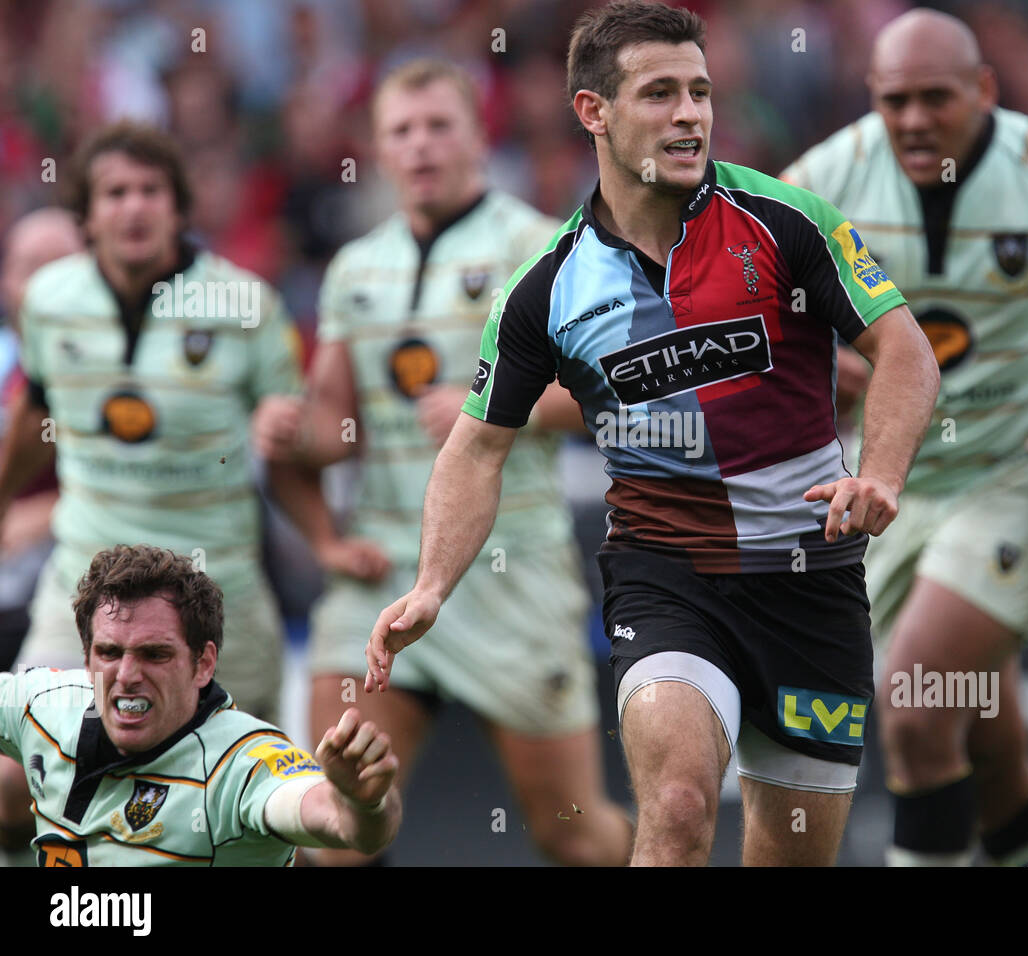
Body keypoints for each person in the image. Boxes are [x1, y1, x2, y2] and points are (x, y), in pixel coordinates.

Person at [366, 0, 940, 867]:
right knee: (674, 807)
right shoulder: (546, 289)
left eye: (700, 92)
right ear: (593, 111)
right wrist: (432, 586)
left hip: (810, 576)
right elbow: (478, 445)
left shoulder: (789, 222)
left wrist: (883, 474)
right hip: (667, 577)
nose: (689, 114)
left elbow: (904, 349)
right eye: (660, 93)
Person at [781, 8, 1028, 866]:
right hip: (891, 488)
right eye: (894, 100)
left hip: (1025, 481)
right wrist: (807, 360)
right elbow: (758, 311)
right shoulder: (823, 179)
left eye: (936, 98)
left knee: (913, 706)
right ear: (870, 96)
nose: (914, 121)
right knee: (982, 736)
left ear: (985, 88)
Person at [253, 58, 632, 866]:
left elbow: (614, 396)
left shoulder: (545, 246)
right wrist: (294, 436)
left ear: (477, 135)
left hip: (510, 567)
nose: (420, 145)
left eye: (438, 126)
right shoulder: (356, 267)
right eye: (401, 131)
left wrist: (502, 404)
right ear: (379, 150)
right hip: (383, 569)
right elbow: (336, 426)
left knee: (572, 835)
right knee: (331, 831)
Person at [0, 121, 376, 723]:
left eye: (152, 191)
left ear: (178, 208)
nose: (135, 207)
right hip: (80, 586)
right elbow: (33, 419)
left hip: (215, 597)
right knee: (15, 781)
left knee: (232, 804)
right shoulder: (49, 301)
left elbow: (294, 447)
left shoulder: (246, 304)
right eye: (115, 193)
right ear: (87, 217)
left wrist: (324, 537)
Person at [0, 544, 400, 865]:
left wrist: (362, 803)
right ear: (86, 657)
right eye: (109, 652)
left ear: (203, 663)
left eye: (154, 654)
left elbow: (340, 823)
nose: (126, 675)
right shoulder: (45, 705)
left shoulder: (243, 764)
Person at [0, 208, 82, 863]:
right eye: (32, 269)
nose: (47, 285)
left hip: (69, 599)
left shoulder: (113, 360)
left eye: (63, 266)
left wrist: (49, 508)